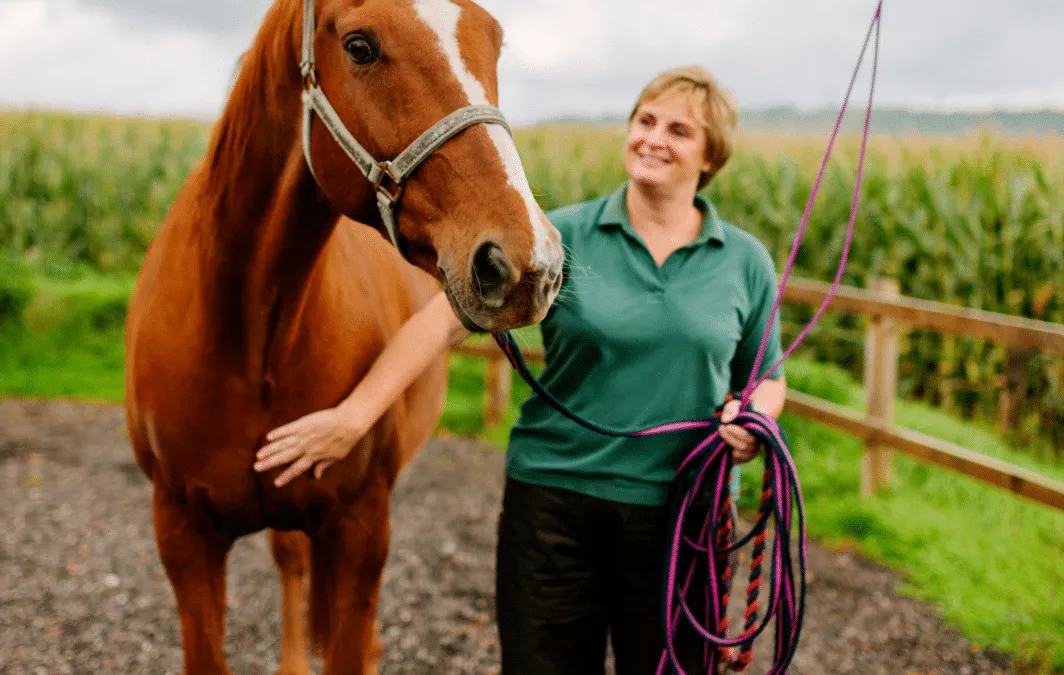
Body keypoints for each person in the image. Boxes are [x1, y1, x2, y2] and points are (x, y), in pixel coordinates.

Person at [253, 65, 787, 674]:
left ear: (710, 156)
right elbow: (439, 323)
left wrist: (754, 421)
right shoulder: (564, 236)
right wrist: (353, 418)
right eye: (645, 121)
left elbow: (765, 376)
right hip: (555, 505)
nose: (653, 138)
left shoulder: (744, 261)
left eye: (679, 130)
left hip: (684, 513)